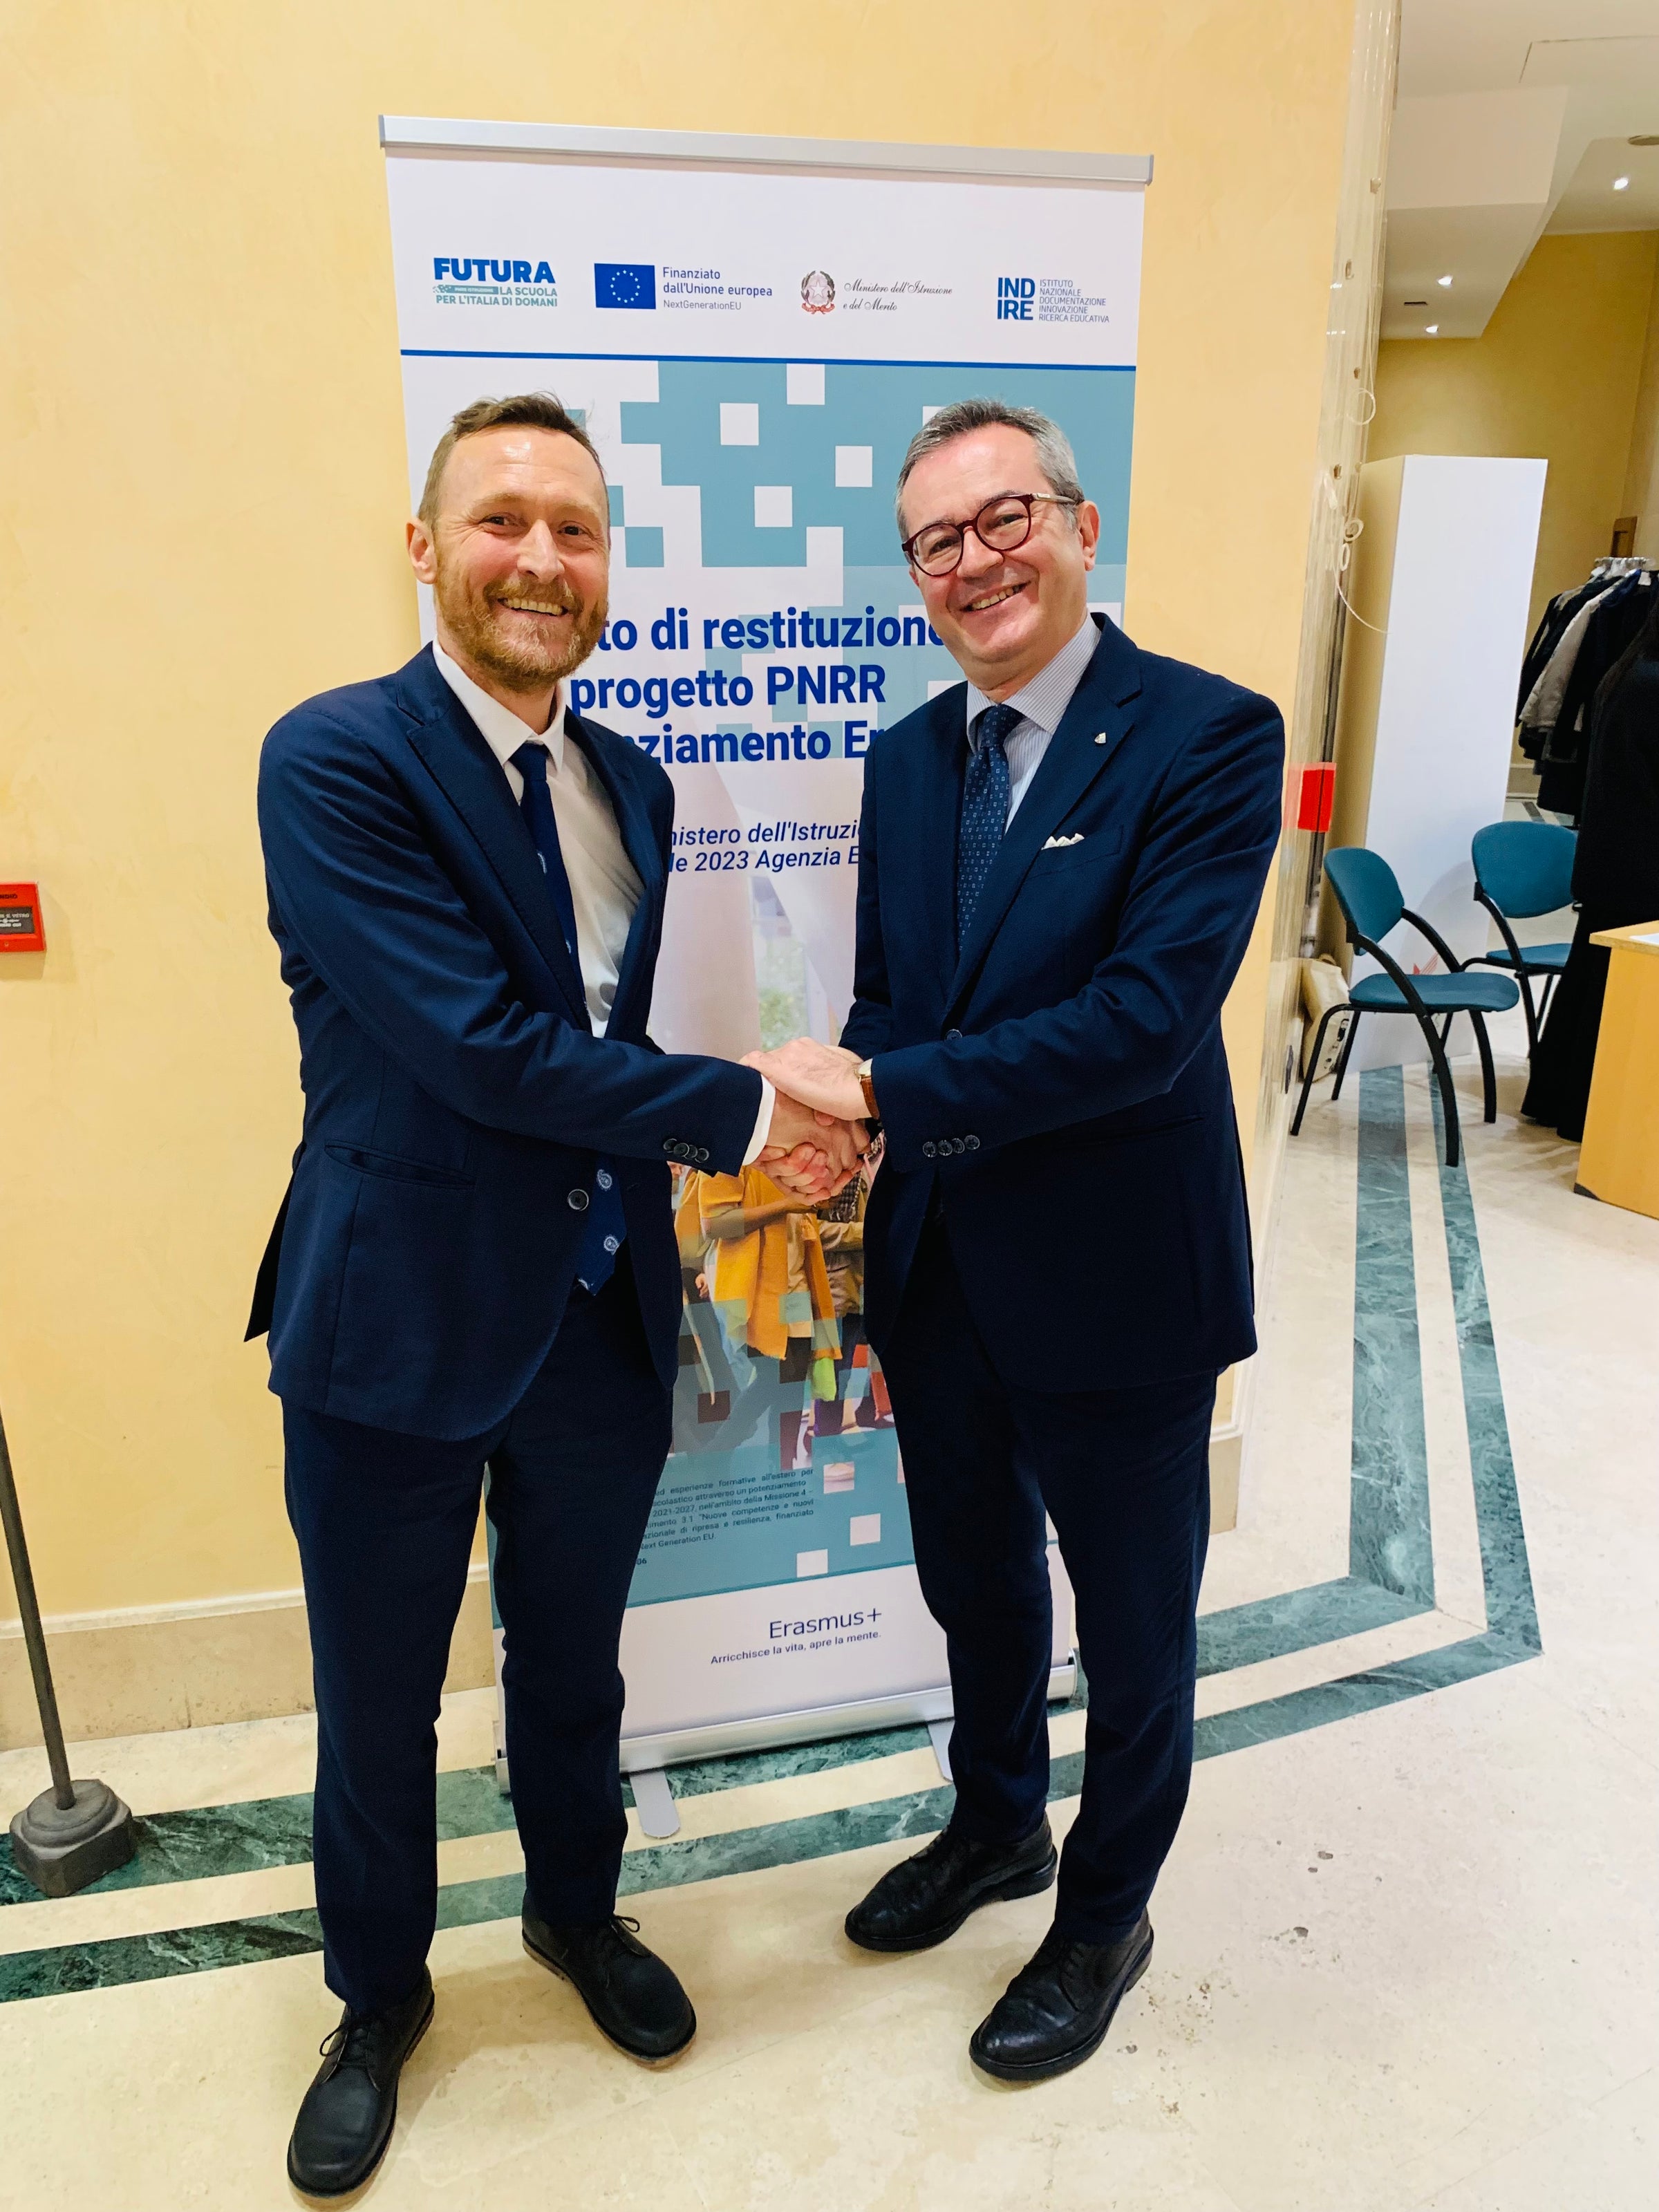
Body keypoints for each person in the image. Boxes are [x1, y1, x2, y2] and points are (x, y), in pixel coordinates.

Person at [250, 392, 862, 2197]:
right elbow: (478, 1051)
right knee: (375, 1694)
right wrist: (757, 1107)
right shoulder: (335, 759)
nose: (542, 557)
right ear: (427, 547)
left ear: (610, 569)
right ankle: (375, 1999)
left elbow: (587, 1046)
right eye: (503, 520)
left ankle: (578, 1918)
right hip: (394, 1322)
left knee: (578, 1664)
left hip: (596, 1316)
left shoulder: (639, 783)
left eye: (577, 530)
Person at [750, 398, 1284, 2083]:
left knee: (1131, 1629)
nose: (973, 561)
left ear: (1076, 522)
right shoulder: (906, 757)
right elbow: (891, 996)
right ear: (910, 573)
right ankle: (995, 1826)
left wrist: (876, 1083)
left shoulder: (1207, 734)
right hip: (938, 1264)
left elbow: (1140, 1022)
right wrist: (841, 1133)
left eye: (1004, 520)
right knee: (968, 1579)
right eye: (935, 542)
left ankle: (1102, 1912)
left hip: (1120, 1278)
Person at [1523, 594, 1659, 1138]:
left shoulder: (1632, 671)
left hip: (1615, 859)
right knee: (1613, 997)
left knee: (1590, 986)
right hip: (1642, 866)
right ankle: (1591, 1116)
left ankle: (1560, 1101)